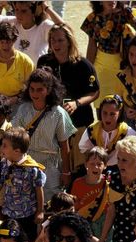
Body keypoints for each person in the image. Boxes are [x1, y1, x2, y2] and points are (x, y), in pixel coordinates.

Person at [37, 23, 100, 173]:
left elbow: (94, 92)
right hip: (52, 125)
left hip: (78, 125)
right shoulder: (44, 62)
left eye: (60, 40)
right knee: (54, 170)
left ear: (69, 41)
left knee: (79, 169)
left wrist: (77, 103)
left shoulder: (83, 65)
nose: (56, 44)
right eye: (52, 40)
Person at [12, 67, 76, 200]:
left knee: (49, 201)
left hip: (50, 166)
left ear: (48, 90)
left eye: (40, 89)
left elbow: (65, 146)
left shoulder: (58, 113)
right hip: (27, 162)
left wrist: (66, 172)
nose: (35, 93)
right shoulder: (23, 110)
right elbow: (15, 137)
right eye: (32, 89)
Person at [81, 1, 136, 108]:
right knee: (102, 106)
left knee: (126, 106)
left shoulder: (127, 13)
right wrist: (89, 71)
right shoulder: (93, 18)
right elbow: (92, 45)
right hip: (101, 69)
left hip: (125, 67)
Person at [0, 127, 46, 242]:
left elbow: (39, 190)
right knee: (10, 241)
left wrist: (40, 211)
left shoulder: (32, 169)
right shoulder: (4, 164)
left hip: (27, 215)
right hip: (8, 212)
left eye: (4, 145)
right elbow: (0, 183)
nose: (1, 148)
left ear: (17, 151)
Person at [0, 1, 64, 65]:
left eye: (24, 11)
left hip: (36, 79)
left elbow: (63, 27)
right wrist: (2, 3)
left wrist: (46, 8)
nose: (18, 14)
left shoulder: (44, 26)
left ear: (34, 12)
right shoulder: (13, 22)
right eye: (16, 10)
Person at [70, 147, 112, 242]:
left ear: (105, 166)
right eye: (92, 163)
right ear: (86, 165)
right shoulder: (78, 183)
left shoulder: (108, 183)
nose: (96, 167)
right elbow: (75, 207)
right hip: (85, 223)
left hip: (104, 224)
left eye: (99, 164)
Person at [79, 94, 136, 169]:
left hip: (121, 170)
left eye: (112, 114)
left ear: (119, 114)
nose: (107, 118)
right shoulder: (92, 130)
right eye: (104, 113)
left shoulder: (128, 132)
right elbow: (84, 149)